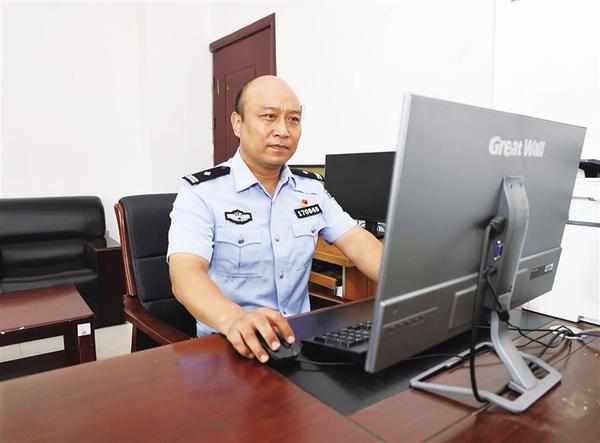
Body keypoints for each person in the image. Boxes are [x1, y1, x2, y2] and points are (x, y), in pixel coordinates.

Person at [167, 75, 383, 363]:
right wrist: (234, 319)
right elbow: (185, 273)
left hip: (298, 343)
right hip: (227, 346)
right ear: (237, 123)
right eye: (269, 116)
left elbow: (356, 240)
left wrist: (410, 285)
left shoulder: (311, 190)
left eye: (293, 119)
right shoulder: (202, 193)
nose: (283, 130)